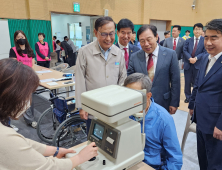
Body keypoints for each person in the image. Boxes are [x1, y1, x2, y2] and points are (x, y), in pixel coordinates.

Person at [0, 58, 98, 170]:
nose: (29, 101)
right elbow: (45, 167)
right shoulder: (5, 136)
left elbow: (22, 143)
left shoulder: (7, 133)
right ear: (10, 94)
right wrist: (79, 158)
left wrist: (54, 150)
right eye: (27, 95)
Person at [75, 16, 127, 134]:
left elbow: (122, 78)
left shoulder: (118, 52)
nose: (108, 38)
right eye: (104, 34)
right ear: (95, 32)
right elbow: (80, 79)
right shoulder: (85, 52)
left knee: (112, 141)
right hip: (93, 107)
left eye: (111, 34)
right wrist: (81, 106)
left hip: (113, 107)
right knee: (94, 140)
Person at [124, 73, 182, 170]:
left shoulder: (164, 119)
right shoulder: (125, 113)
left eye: (135, 96)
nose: (130, 100)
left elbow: (175, 159)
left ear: (148, 96)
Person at [188, 19, 222, 170]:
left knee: (215, 163)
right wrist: (192, 105)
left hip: (216, 125)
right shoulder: (204, 58)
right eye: (206, 37)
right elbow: (198, 84)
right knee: (203, 158)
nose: (208, 42)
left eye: (214, 38)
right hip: (201, 119)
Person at [127, 25, 180, 114]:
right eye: (142, 41)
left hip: (163, 101)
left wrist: (174, 103)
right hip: (140, 103)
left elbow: (175, 81)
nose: (146, 44)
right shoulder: (134, 57)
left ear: (156, 37)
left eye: (149, 39)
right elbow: (129, 80)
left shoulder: (170, 54)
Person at [9, 30, 37, 129]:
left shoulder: (30, 50)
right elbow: (14, 65)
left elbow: (33, 64)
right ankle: (30, 120)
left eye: (22, 36)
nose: (21, 39)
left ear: (25, 37)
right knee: (25, 99)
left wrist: (33, 75)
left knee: (30, 100)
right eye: (19, 37)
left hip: (30, 77)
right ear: (16, 39)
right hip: (21, 78)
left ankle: (29, 117)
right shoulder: (13, 50)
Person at [183, 23, 206, 103]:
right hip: (188, 64)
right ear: (193, 30)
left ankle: (195, 97)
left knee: (197, 82)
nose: (197, 31)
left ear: (202, 31)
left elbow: (205, 52)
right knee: (187, 82)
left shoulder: (204, 40)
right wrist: (190, 58)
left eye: (199, 29)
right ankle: (188, 97)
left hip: (198, 65)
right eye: (196, 29)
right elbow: (184, 50)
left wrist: (196, 58)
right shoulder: (188, 40)